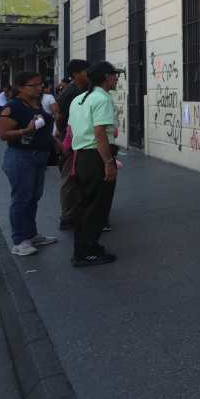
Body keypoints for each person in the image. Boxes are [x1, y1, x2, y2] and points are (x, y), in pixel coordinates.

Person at [0, 72, 58, 256]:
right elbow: (3, 134)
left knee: (33, 197)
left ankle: (31, 234)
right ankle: (19, 240)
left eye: (41, 84)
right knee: (21, 199)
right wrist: (26, 130)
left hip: (39, 157)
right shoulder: (12, 107)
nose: (41, 88)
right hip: (21, 158)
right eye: (35, 85)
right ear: (22, 88)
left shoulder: (37, 104)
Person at [67, 61, 120, 267]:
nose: (116, 79)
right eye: (114, 75)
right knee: (97, 207)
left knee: (85, 205)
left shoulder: (79, 99)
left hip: (80, 156)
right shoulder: (101, 99)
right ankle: (86, 252)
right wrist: (108, 162)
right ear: (106, 77)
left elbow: (72, 130)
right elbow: (100, 134)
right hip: (95, 157)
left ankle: (86, 247)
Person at [56, 61, 89, 229]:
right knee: (69, 177)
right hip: (71, 140)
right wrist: (65, 139)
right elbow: (59, 117)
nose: (88, 73)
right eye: (85, 71)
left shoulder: (82, 90)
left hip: (80, 139)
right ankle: (67, 217)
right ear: (76, 74)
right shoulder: (70, 93)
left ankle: (77, 211)